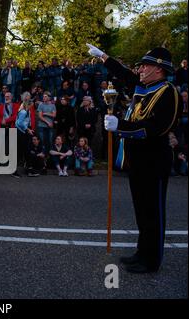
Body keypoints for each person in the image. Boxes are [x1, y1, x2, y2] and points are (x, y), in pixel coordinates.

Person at [88, 43, 183, 273]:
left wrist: (120, 126)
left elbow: (155, 128)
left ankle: (152, 260)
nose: (140, 70)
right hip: (138, 160)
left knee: (153, 213)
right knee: (142, 211)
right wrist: (104, 57)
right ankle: (142, 252)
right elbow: (125, 74)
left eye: (145, 66)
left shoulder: (168, 92)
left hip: (154, 160)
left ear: (159, 69)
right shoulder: (144, 86)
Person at [13, 91, 36, 178]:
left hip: (23, 132)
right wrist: (27, 129)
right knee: (20, 151)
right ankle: (14, 170)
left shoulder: (25, 109)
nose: (32, 107)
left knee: (26, 151)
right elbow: (19, 123)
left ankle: (29, 170)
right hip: (21, 132)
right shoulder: (24, 111)